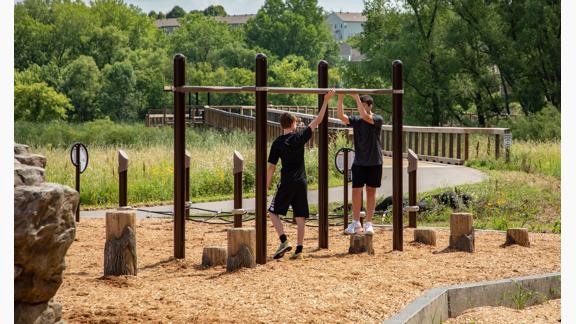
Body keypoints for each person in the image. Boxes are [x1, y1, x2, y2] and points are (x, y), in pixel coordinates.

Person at [267, 89, 335, 260]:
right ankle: (299, 249)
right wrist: (326, 100)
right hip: (301, 182)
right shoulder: (299, 138)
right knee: (300, 215)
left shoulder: (277, 143)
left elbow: (271, 168)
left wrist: (265, 185)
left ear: (282, 125)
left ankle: (284, 240)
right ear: (293, 123)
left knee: (273, 212)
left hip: (287, 181)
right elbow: (318, 120)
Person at [336, 93, 384, 235]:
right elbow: (340, 116)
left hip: (374, 161)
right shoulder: (357, 120)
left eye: (363, 105)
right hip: (359, 161)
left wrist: (356, 97)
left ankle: (368, 223)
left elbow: (365, 117)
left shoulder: (377, 119)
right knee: (356, 190)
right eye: (360, 106)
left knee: (371, 191)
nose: (361, 109)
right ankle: (355, 222)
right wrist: (340, 98)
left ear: (370, 105)